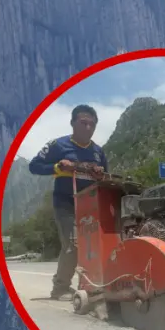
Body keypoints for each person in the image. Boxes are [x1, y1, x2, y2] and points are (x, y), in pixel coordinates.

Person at [28, 104, 108, 300]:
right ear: (72, 123)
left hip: (91, 205)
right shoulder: (58, 145)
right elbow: (34, 166)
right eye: (83, 123)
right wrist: (57, 167)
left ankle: (94, 284)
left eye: (92, 124)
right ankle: (61, 288)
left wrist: (100, 173)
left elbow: (105, 176)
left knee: (96, 246)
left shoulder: (98, 152)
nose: (88, 128)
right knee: (73, 245)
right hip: (66, 203)